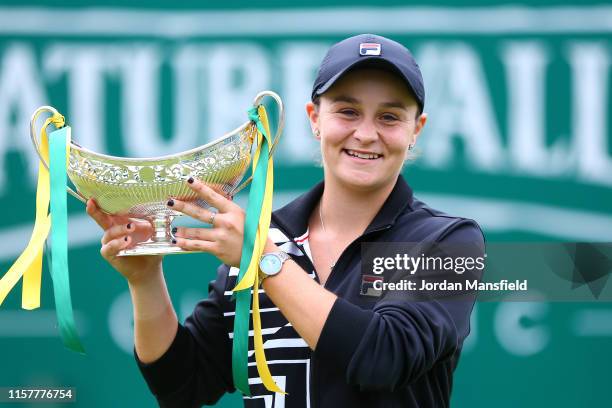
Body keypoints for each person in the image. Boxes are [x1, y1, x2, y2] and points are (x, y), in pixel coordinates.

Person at [86, 33, 485, 408]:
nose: (366, 133)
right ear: (314, 119)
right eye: (347, 111)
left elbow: (382, 359)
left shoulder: (450, 241)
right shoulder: (267, 236)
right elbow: (184, 385)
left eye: (389, 117)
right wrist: (144, 280)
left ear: (417, 129)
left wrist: (263, 260)